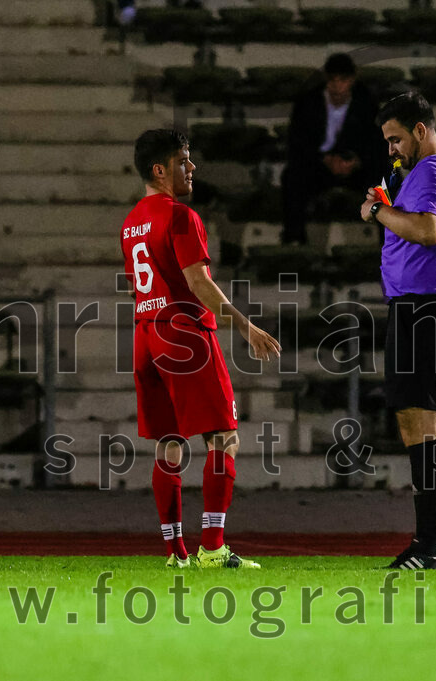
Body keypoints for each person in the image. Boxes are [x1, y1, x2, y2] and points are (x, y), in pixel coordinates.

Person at [121, 129, 281, 569]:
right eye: (183, 160)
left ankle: (176, 552)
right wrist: (246, 326)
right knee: (223, 437)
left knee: (168, 442)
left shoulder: (132, 222)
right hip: (185, 334)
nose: (191, 168)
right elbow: (198, 282)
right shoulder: (180, 216)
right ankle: (212, 547)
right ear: (160, 169)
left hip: (145, 333)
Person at [360, 92, 436, 570]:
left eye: (396, 139)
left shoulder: (431, 170)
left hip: (422, 310)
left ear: (420, 130)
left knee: (419, 427)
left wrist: (377, 212)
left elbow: (428, 230)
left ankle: (427, 546)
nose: (391, 149)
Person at [282, 53, 387, 244]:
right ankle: (294, 239)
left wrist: (357, 161)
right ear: (326, 79)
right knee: (292, 177)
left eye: (343, 80)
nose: (337, 86)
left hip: (355, 167)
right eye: (333, 80)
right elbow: (298, 142)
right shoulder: (308, 102)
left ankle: (392, 243)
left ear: (352, 80)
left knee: (388, 179)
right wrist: (324, 159)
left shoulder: (365, 101)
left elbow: (376, 143)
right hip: (319, 166)